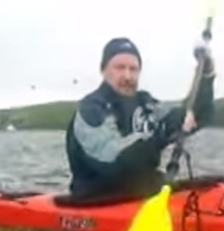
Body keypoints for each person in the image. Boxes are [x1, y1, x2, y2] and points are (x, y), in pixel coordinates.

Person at [65, 37, 216, 201]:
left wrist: (206, 74)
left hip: (142, 195)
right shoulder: (91, 109)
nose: (128, 76)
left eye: (133, 69)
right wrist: (158, 135)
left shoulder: (146, 104)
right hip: (97, 200)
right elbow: (114, 158)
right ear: (103, 70)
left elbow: (193, 115)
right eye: (119, 68)